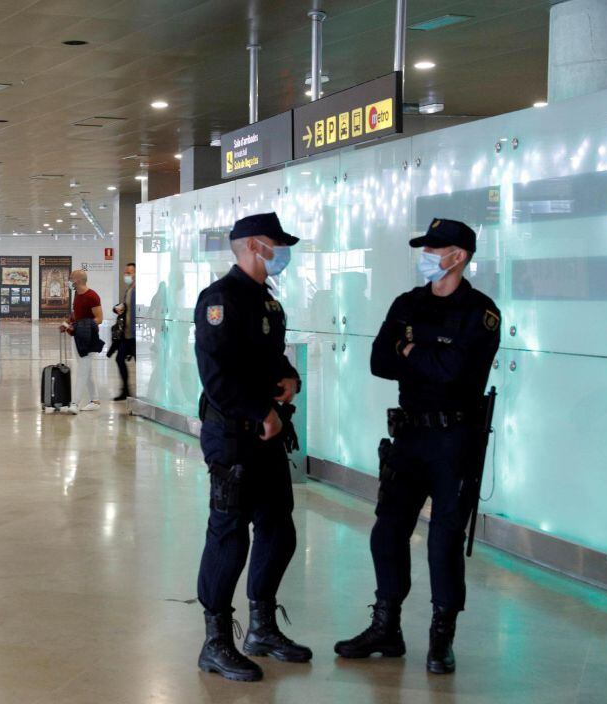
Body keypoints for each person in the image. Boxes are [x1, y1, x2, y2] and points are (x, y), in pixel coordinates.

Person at [334, 218, 500, 675]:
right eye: (424, 247)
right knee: (387, 531)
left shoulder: (481, 312)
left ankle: (441, 638)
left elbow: (457, 373)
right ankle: (387, 628)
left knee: (443, 540)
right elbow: (377, 360)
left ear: (459, 256)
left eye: (434, 248)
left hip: (454, 440)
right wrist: (424, 355)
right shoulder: (408, 302)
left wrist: (409, 350)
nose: (425, 254)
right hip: (409, 437)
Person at [193, 212, 311, 683]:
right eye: (276, 244)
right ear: (255, 246)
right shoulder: (219, 300)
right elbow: (215, 374)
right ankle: (216, 641)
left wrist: (289, 379)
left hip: (267, 433)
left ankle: (261, 628)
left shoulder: (269, 304)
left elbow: (272, 356)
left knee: (279, 529)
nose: (282, 253)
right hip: (232, 436)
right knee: (229, 535)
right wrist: (257, 412)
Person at [59, 269, 103, 413]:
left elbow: (99, 318)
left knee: (82, 371)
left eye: (71, 278)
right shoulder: (77, 295)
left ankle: (75, 403)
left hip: (88, 338)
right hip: (78, 337)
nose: (69, 281)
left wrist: (85, 325)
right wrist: (66, 324)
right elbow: (75, 315)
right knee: (87, 370)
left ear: (78, 280)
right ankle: (95, 401)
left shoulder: (92, 296)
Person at [112, 262, 136, 401]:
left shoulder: (138, 291)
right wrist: (117, 308)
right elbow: (125, 308)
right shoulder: (128, 290)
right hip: (126, 334)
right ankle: (125, 390)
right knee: (119, 359)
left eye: (129, 272)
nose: (127, 275)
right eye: (126, 272)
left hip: (134, 336)